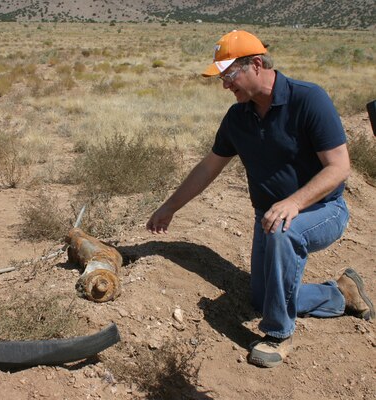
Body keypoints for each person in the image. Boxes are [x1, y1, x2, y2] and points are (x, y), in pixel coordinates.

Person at [146, 30, 374, 368]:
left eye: (229, 75)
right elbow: (209, 167)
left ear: (256, 64)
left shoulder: (308, 99)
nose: (225, 85)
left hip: (323, 210)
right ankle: (340, 293)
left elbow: (340, 167)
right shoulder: (238, 117)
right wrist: (169, 207)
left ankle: (279, 334)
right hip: (268, 216)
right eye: (221, 77)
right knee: (262, 298)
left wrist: (294, 202)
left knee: (285, 231)